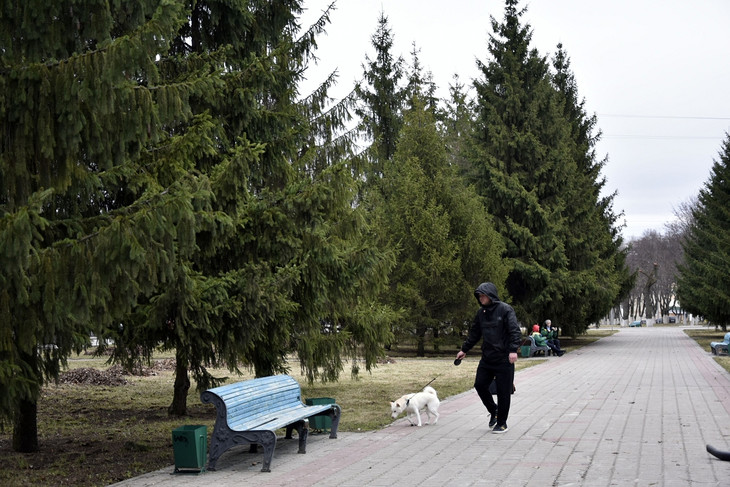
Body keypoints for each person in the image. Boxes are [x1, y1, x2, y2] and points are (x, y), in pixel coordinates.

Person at [455, 282, 521, 433]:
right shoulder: (481, 313)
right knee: (480, 385)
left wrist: (512, 350)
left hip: (504, 358)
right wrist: (464, 349)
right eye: (479, 296)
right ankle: (494, 411)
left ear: (490, 295)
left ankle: (502, 423)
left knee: (503, 391)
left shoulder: (505, 309)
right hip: (487, 358)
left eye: (483, 295)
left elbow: (515, 331)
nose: (480, 298)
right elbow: (475, 333)